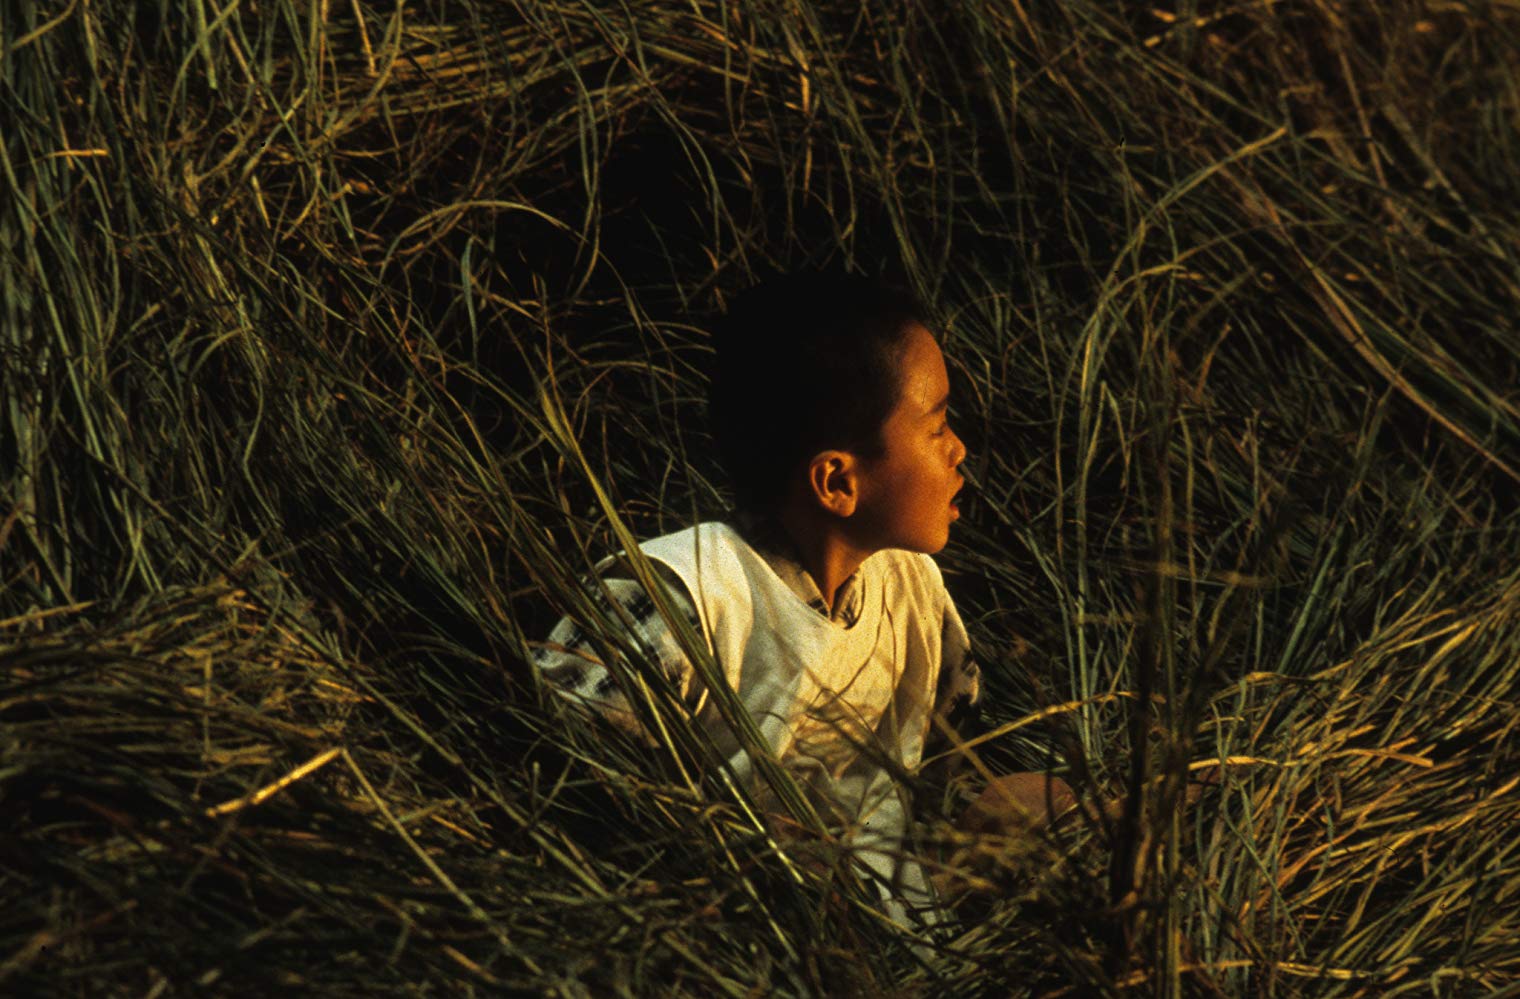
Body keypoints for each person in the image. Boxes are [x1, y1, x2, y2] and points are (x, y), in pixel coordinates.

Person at [533, 271, 1072, 926]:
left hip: (899, 922)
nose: (959, 449)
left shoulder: (908, 584)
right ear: (837, 481)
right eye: (936, 425)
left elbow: (946, 763)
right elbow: (558, 776)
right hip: (739, 927)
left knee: (1049, 804)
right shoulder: (682, 596)